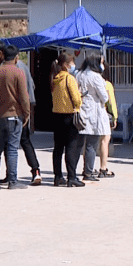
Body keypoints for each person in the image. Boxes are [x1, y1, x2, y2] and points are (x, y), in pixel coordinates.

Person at [0, 42, 30, 190]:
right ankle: (12, 180)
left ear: (2, 55)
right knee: (12, 149)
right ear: (17, 58)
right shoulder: (19, 73)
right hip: (14, 115)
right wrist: (27, 113)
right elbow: (24, 96)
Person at [76, 51, 111, 180]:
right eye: (101, 62)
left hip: (81, 111)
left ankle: (77, 171)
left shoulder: (78, 74)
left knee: (79, 144)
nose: (102, 65)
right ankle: (88, 172)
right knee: (91, 144)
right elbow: (104, 97)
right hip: (94, 113)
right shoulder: (96, 77)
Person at [51, 53, 83, 186]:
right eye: (71, 64)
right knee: (71, 147)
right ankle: (71, 177)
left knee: (58, 148)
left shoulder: (54, 78)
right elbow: (76, 98)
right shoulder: (69, 79)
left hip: (57, 116)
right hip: (69, 116)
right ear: (65, 65)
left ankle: (58, 176)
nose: (73, 66)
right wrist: (79, 101)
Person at [14, 54, 43, 184]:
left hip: (16, 109)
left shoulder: (15, 68)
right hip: (25, 107)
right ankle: (35, 170)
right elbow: (32, 85)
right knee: (25, 142)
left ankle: (10, 175)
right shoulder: (24, 67)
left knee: (9, 144)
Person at [100, 72, 119, 176]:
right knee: (104, 141)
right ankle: (103, 168)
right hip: (103, 115)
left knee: (90, 144)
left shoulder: (83, 79)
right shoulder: (106, 84)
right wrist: (114, 117)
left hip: (89, 116)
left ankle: (88, 168)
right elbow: (110, 102)